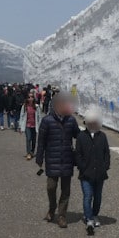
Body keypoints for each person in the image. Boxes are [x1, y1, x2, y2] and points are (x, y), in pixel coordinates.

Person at [36, 93, 79, 228]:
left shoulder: (71, 120)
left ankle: (61, 215)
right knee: (51, 187)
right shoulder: (47, 120)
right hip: (52, 159)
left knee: (65, 190)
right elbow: (41, 141)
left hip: (67, 159)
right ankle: (52, 207)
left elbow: (79, 136)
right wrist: (39, 156)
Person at [75, 107, 110, 236]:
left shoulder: (102, 136)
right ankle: (89, 218)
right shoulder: (81, 136)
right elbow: (77, 154)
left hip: (100, 173)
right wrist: (83, 167)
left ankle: (94, 215)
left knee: (98, 197)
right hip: (86, 174)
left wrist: (105, 166)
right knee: (87, 196)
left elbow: (107, 153)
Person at [21, 95, 39, 159]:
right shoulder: (24, 106)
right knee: (28, 138)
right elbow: (22, 116)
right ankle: (28, 153)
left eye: (31, 97)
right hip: (27, 125)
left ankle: (32, 152)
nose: (30, 98)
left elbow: (39, 117)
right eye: (29, 97)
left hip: (34, 125)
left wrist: (40, 126)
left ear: (34, 98)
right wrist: (21, 127)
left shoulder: (36, 107)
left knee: (34, 140)